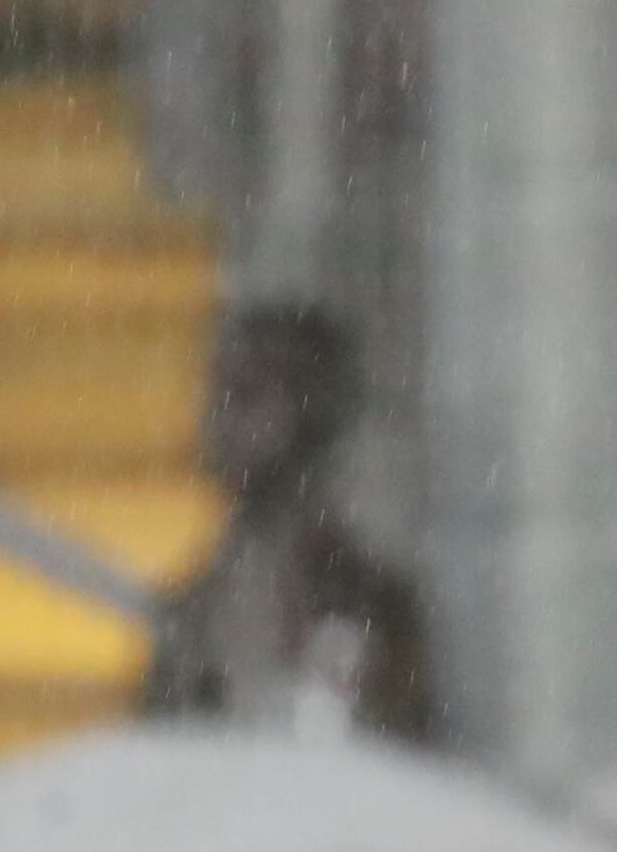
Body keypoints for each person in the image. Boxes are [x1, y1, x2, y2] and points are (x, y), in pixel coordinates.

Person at [141, 300, 439, 747]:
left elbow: (393, 772)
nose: (219, 421)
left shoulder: (370, 607)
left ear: (309, 410)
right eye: (218, 395)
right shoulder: (194, 610)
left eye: (246, 395)